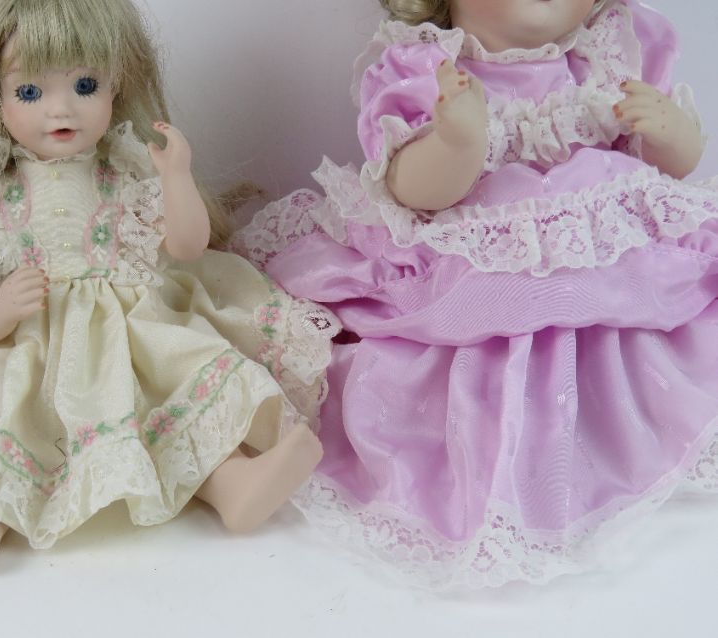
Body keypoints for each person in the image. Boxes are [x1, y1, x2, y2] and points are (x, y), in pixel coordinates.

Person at [233, 0, 718, 589]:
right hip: (479, 257)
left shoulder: (608, 54)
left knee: (650, 309)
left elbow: (672, 171)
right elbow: (413, 193)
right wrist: (457, 142)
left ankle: (616, 423)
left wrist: (671, 134)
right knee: (500, 308)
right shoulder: (426, 68)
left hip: (612, 260)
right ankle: (521, 454)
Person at [0, 0, 338, 571]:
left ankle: (235, 484)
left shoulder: (124, 169)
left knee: (175, 402)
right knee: (10, 421)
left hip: (133, 335)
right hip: (36, 346)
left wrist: (176, 177)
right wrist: (3, 310)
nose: (61, 109)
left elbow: (188, 246)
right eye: (30, 92)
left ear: (118, 82)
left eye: (85, 85)